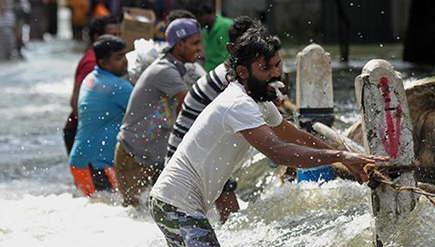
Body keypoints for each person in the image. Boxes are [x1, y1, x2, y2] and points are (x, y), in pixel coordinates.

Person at [149, 27, 390, 246]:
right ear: (243, 71)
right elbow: (279, 151)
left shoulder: (259, 100)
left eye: (277, 64)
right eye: (266, 68)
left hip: (174, 202)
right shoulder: (238, 104)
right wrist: (340, 154)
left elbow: (295, 136)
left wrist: (344, 159)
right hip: (176, 204)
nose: (276, 73)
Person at [165, 15, 259, 223]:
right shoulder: (229, 80)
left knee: (220, 219)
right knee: (231, 219)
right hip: (190, 161)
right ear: (233, 50)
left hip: (198, 156)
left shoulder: (230, 76)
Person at [115, 18, 202, 208]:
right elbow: (192, 104)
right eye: (195, 43)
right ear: (179, 45)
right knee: (134, 216)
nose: (200, 48)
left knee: (158, 213)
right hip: (134, 156)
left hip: (151, 156)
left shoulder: (173, 68)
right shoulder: (165, 70)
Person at [68, 35, 133, 197]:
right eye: (118, 58)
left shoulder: (90, 79)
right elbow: (145, 112)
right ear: (103, 63)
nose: (125, 61)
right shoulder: (118, 87)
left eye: (125, 55)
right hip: (97, 164)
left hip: (81, 161)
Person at [63, 15, 121, 155]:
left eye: (119, 34)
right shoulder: (92, 63)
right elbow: (75, 101)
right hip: (80, 133)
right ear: (97, 38)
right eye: (113, 35)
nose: (118, 39)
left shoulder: (108, 59)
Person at [187, 0, 232, 72]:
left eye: (197, 18)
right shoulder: (205, 30)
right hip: (209, 73)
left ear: (203, 14)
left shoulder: (227, 26)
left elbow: (228, 57)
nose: (196, 22)